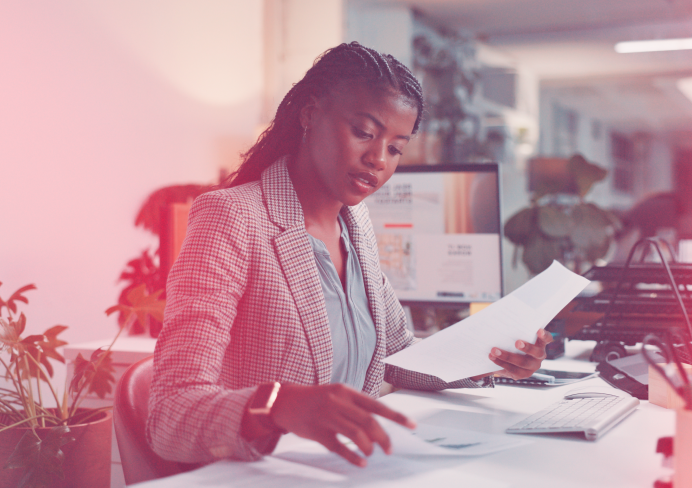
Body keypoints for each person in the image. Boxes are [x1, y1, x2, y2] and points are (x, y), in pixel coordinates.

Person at [147, 42, 552, 468]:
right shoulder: (231, 217)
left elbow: (395, 354)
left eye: (396, 148)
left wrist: (490, 360)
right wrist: (278, 405)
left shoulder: (355, 225)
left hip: (350, 469)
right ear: (309, 114)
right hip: (261, 473)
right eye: (364, 132)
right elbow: (171, 412)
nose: (378, 159)